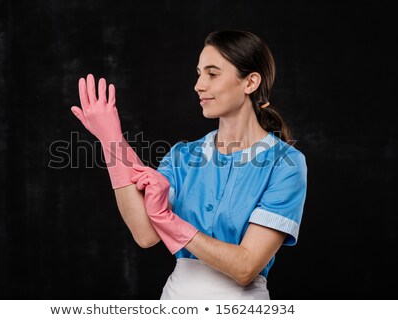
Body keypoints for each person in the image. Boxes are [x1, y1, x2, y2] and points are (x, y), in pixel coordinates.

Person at [71, 30, 307, 299]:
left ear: (250, 82)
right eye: (199, 73)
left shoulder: (285, 164)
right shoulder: (183, 155)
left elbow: (245, 267)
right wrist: (112, 141)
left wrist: (169, 219)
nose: (198, 85)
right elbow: (145, 234)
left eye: (212, 73)